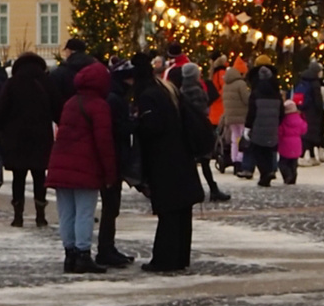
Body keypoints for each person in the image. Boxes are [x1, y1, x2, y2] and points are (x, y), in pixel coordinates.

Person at [132, 51, 204, 273]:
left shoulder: (148, 95)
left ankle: (165, 259)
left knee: (169, 211)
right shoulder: (167, 89)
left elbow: (152, 127)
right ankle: (180, 257)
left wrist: (135, 125)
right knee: (181, 211)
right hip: (181, 155)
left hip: (164, 159)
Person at [46, 61, 117, 274]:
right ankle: (83, 254)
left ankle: (70, 254)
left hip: (61, 164)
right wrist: (109, 172)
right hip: (86, 166)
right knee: (85, 212)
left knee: (66, 212)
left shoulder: (70, 103)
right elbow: (104, 142)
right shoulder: (99, 105)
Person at [0, 52, 54, 227]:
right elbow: (58, 108)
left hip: (16, 138)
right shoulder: (46, 82)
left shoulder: (12, 83)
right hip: (41, 137)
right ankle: (40, 215)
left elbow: (0, 110)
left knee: (18, 177)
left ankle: (18, 216)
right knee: (39, 176)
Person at [97, 59, 137, 268]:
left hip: (114, 156)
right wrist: (133, 123)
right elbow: (117, 129)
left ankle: (108, 247)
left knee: (112, 207)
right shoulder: (115, 99)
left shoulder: (115, 96)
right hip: (113, 157)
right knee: (110, 206)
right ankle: (105, 249)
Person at [179, 62, 230, 202]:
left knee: (194, 161)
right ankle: (213, 189)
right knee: (205, 160)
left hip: (189, 128)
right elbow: (201, 109)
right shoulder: (196, 89)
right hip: (199, 128)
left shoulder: (182, 88)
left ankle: (194, 189)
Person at [245, 65, 283, 187]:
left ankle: (265, 173)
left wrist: (248, 126)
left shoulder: (256, 93)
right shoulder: (276, 94)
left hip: (258, 125)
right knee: (268, 150)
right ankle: (268, 171)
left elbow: (251, 112)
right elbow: (281, 112)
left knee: (257, 150)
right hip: (273, 126)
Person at [50, 37, 96, 112]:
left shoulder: (59, 72)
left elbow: (54, 98)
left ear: (69, 51)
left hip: (67, 113)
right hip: (91, 112)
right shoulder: (95, 68)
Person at [293, 61, 324, 164]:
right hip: (313, 111)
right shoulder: (315, 82)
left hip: (303, 109)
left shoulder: (302, 79)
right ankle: (304, 157)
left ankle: (311, 156)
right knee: (311, 134)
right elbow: (317, 99)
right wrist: (320, 109)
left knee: (306, 133)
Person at [221, 64, 251, 177]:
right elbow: (246, 99)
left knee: (234, 138)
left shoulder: (226, 85)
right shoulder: (241, 84)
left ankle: (234, 160)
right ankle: (240, 160)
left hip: (230, 116)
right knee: (243, 139)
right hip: (242, 116)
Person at [277, 100, 307, 185]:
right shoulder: (299, 118)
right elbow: (304, 129)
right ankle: (293, 178)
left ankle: (287, 176)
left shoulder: (283, 120)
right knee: (293, 163)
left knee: (283, 163)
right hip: (297, 143)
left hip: (285, 143)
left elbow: (280, 131)